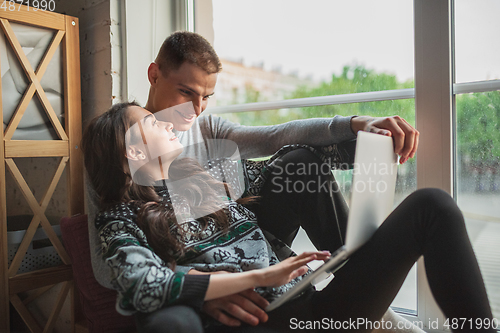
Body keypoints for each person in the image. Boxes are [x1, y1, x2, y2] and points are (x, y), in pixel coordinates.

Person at [82, 102, 495, 333]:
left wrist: (366, 140)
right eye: (151, 123)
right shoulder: (120, 219)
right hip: (265, 321)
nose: (168, 123)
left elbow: (292, 161)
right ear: (133, 152)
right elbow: (140, 283)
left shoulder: (203, 180)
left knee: (433, 206)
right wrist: (257, 278)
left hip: (316, 309)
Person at [139, 30, 420, 328]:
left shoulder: (206, 129)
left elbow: (276, 136)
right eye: (186, 92)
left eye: (206, 97)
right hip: (192, 257)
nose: (196, 109)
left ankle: (365, 293)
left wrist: (357, 124)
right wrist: (201, 287)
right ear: (154, 75)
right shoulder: (120, 136)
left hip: (247, 240)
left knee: (299, 162)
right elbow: (109, 258)